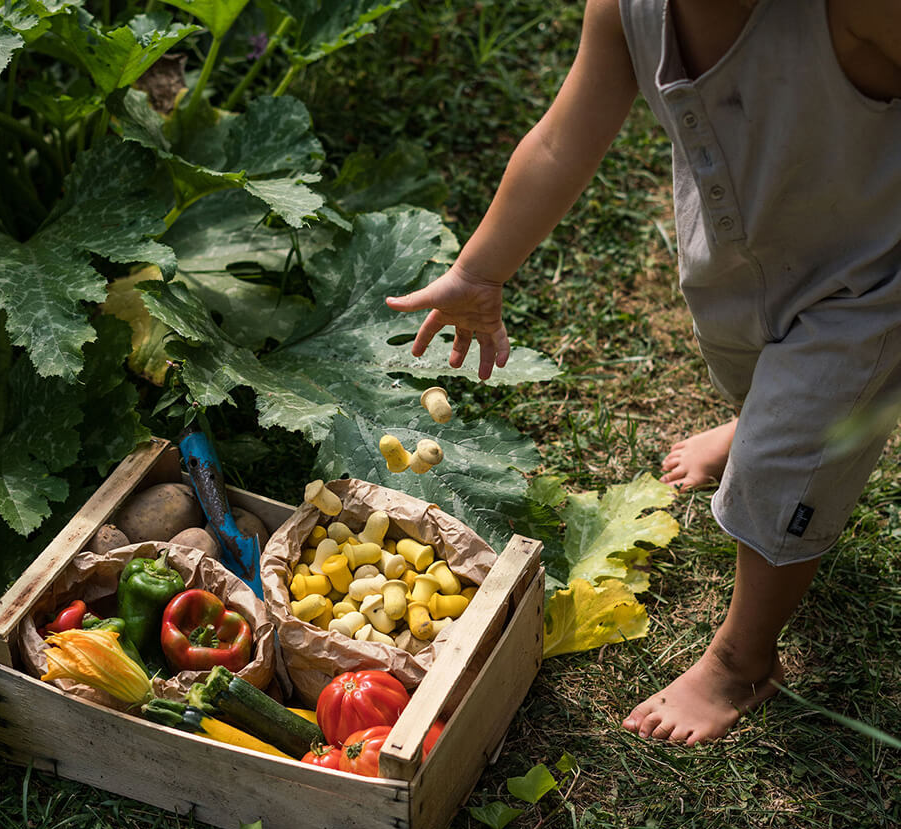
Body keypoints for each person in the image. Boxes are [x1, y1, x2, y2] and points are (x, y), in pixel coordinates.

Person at [386, 0, 901, 745]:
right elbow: (564, 139)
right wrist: (480, 270)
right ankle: (756, 417)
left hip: (872, 281)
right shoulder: (629, 9)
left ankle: (742, 661)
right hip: (740, 268)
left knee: (790, 455)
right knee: (755, 376)